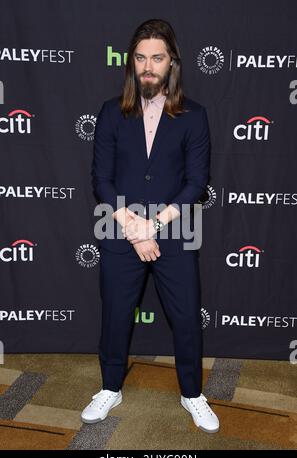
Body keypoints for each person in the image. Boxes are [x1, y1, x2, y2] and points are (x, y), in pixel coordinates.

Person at [81, 18, 219, 433]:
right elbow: (100, 179)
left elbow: (197, 183)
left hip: (175, 228)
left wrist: (151, 226)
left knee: (186, 317)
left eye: (156, 58)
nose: (147, 66)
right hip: (119, 225)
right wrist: (132, 226)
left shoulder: (195, 115)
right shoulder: (110, 112)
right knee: (116, 314)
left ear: (171, 62)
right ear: (131, 63)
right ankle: (110, 387)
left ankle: (193, 394)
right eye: (140, 58)